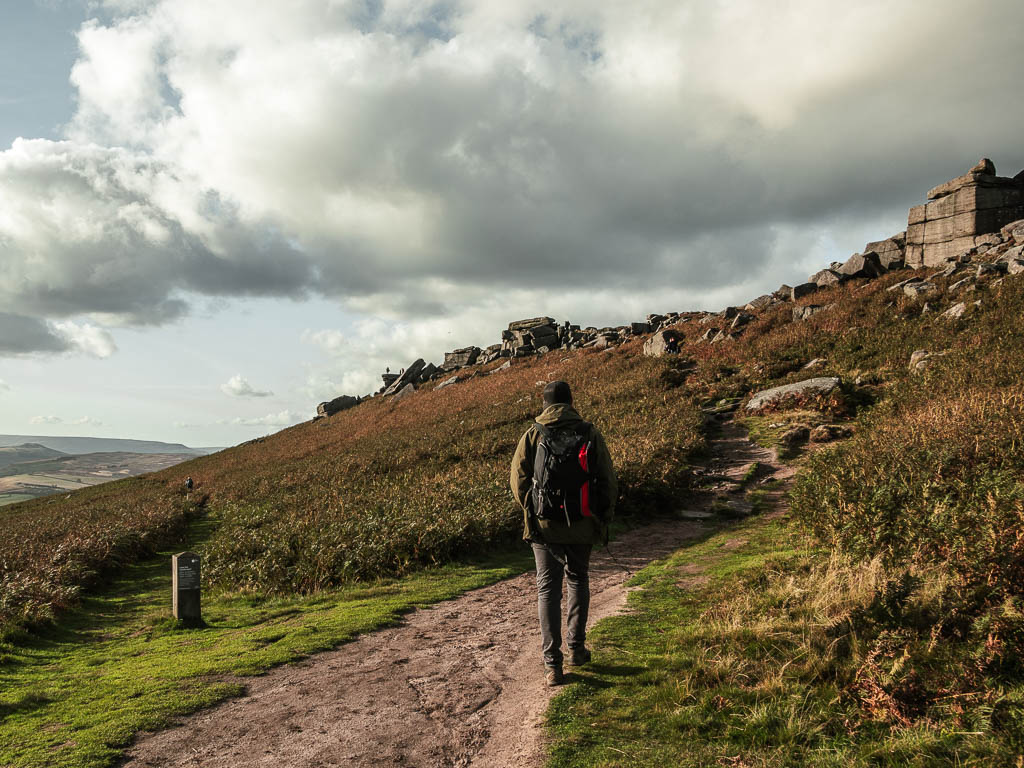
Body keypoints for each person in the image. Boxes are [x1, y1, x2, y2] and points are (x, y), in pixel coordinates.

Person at [510, 380, 617, 686]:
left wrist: (532, 509)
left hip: (544, 528)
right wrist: (603, 517)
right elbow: (607, 479)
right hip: (582, 523)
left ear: (543, 405)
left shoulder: (533, 434)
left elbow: (517, 481)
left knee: (547, 589)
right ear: (571, 402)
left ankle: (552, 665)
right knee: (578, 579)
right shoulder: (588, 432)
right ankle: (577, 648)